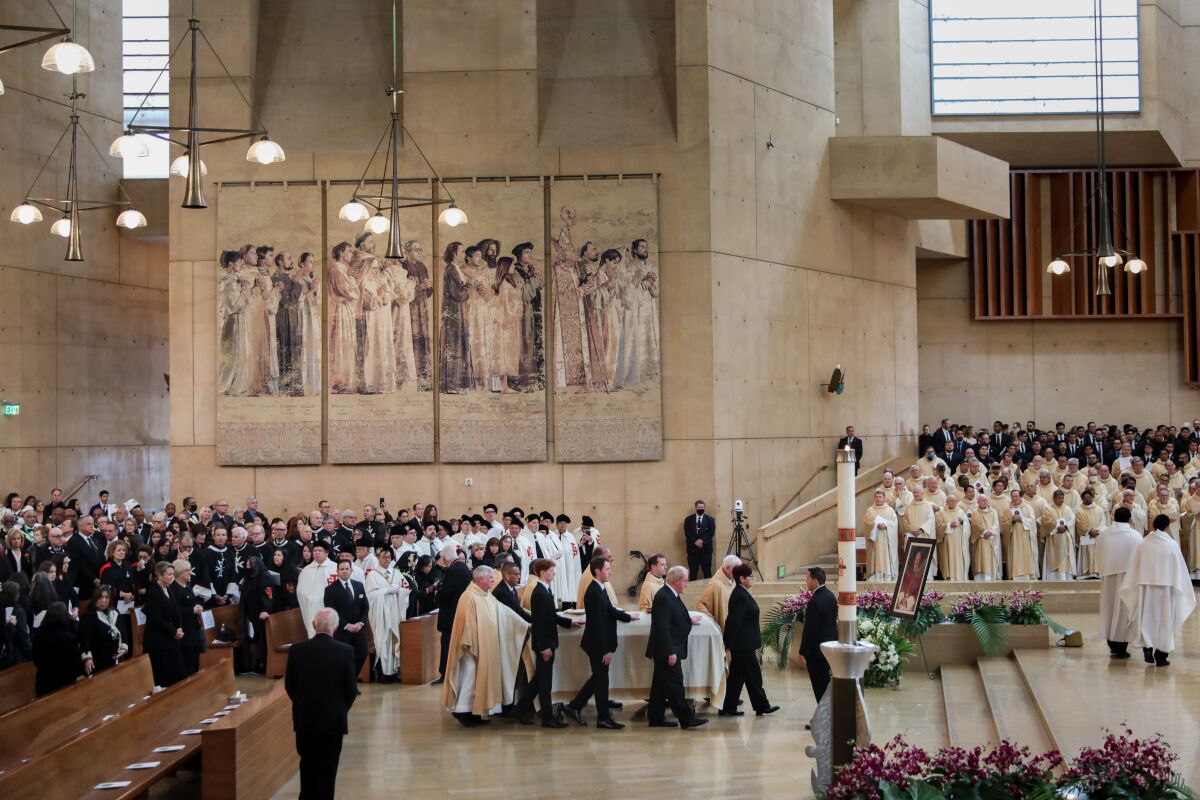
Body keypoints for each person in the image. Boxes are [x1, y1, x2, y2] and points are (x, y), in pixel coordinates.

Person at [285, 607, 359, 800]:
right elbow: (350, 690)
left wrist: (303, 704)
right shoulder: (345, 651)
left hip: (305, 719)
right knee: (328, 768)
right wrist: (340, 709)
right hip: (332, 721)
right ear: (335, 628)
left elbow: (290, 686)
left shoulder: (297, 650)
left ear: (313, 625)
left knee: (307, 764)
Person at [442, 566, 529, 726]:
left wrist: (525, 624)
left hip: (486, 646)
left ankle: (475, 711)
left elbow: (504, 613)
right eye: (490, 578)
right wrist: (474, 643)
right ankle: (462, 712)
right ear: (480, 578)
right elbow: (466, 622)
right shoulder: (468, 596)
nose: (493, 580)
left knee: (478, 680)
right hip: (471, 648)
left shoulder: (487, 595)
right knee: (469, 677)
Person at [563, 556, 637, 729]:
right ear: (597, 571)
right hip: (597, 645)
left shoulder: (600, 588)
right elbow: (597, 624)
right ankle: (602, 718)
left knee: (598, 678)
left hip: (598, 643)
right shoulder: (594, 592)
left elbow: (610, 610)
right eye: (607, 569)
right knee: (601, 681)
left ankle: (574, 706)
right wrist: (605, 650)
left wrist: (627, 616)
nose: (610, 572)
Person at [1119, 514, 1197, 667]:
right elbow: (1179, 568)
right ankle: (1161, 656)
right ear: (1167, 526)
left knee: (1147, 618)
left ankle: (1147, 645)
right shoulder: (1171, 544)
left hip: (1146, 588)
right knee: (1165, 620)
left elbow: (1135, 566)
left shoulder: (1144, 543)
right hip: (1166, 589)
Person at [515, 559, 577, 728]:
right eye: (551, 571)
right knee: (545, 683)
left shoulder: (545, 590)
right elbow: (540, 623)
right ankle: (547, 718)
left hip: (547, 643)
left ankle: (520, 710)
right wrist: (544, 648)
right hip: (545, 645)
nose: (554, 573)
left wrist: (569, 622)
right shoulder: (540, 593)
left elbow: (552, 616)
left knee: (539, 681)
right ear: (542, 573)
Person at [645, 565, 706, 729]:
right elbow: (662, 627)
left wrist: (687, 620)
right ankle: (686, 719)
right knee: (676, 683)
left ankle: (655, 717)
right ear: (675, 581)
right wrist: (670, 651)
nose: (687, 584)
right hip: (667, 650)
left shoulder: (672, 594)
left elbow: (675, 615)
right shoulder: (665, 597)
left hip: (669, 648)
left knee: (659, 686)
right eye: (685, 580)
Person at [721, 564, 779, 717]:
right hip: (742, 644)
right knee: (753, 675)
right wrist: (728, 643)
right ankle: (762, 706)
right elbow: (733, 622)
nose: (753, 579)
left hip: (743, 643)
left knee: (736, 676)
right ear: (741, 578)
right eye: (750, 577)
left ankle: (728, 707)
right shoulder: (740, 595)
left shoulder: (742, 593)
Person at [1095, 507, 1142, 659]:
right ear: (1129, 519)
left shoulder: (1105, 535)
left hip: (1109, 578)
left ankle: (1112, 643)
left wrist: (1104, 571)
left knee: (1110, 609)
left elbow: (1099, 555)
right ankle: (1121, 645)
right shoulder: (1135, 536)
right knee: (1124, 611)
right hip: (1128, 579)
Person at [365, 547, 410, 683]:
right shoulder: (372, 575)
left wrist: (400, 591)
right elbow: (369, 596)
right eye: (384, 557)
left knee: (394, 640)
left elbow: (407, 589)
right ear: (378, 557)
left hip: (395, 613)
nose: (386, 560)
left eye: (389, 557)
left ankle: (394, 672)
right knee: (382, 640)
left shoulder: (396, 573)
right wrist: (385, 591)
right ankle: (383, 673)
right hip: (380, 615)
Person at [323, 560, 370, 678]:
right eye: (342, 569)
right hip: (342, 631)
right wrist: (346, 625)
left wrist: (360, 623)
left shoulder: (359, 585)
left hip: (359, 629)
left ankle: (351, 680)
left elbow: (365, 607)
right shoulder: (330, 590)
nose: (344, 571)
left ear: (351, 570)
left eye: (347, 569)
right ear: (337, 571)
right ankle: (345, 683)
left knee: (362, 654)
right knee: (343, 658)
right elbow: (332, 611)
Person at [143, 561, 186, 687]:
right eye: (169, 574)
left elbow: (176, 610)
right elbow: (157, 619)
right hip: (158, 641)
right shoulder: (153, 593)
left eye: (172, 574)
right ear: (160, 575)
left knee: (178, 673)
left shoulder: (168, 589)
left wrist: (179, 628)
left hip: (170, 637)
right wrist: (173, 631)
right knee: (164, 676)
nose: (172, 577)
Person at [433, 545, 472, 685]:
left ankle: (445, 674)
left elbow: (445, 593)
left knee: (447, 644)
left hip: (450, 615)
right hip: (460, 612)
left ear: (445, 558)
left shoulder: (452, 570)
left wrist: (437, 594)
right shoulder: (462, 567)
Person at [798, 566, 836, 703]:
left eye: (808, 578)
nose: (806, 581)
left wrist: (803, 651)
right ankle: (827, 716)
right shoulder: (830, 595)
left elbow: (810, 629)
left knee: (820, 686)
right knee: (824, 683)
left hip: (816, 652)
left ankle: (824, 719)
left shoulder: (815, 601)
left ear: (815, 580)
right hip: (829, 647)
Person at [31, 602, 80, 696]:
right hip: (65, 683)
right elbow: (75, 662)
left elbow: (35, 660)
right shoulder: (69, 638)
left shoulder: (39, 635)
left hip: (44, 682)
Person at [79, 585, 127, 675]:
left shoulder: (114, 612)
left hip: (116, 660)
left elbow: (124, 632)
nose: (104, 600)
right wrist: (87, 658)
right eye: (100, 597)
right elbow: (85, 639)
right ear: (95, 599)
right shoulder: (89, 615)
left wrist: (124, 647)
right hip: (98, 662)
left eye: (106, 597)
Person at [296, 540, 338, 637]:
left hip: (329, 606)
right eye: (315, 551)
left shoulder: (335, 568)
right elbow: (300, 591)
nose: (317, 553)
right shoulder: (306, 570)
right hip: (311, 608)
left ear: (327, 552)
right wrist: (310, 599)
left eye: (320, 550)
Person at [171, 560, 205, 677]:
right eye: (186, 570)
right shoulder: (174, 588)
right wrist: (192, 610)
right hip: (184, 627)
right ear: (179, 572)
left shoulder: (187, 585)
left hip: (192, 626)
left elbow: (191, 601)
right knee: (187, 658)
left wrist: (197, 607)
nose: (190, 573)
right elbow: (174, 609)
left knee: (195, 656)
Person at [695, 554, 740, 630]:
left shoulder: (733, 581)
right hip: (722, 628)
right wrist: (712, 621)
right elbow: (700, 604)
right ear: (727, 568)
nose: (739, 572)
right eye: (736, 569)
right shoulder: (716, 584)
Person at [864, 491, 899, 581]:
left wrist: (887, 525)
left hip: (887, 540)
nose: (878, 499)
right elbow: (867, 524)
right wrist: (876, 525)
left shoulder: (890, 510)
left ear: (884, 499)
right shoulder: (870, 510)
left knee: (887, 557)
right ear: (874, 498)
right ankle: (875, 576)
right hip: (875, 541)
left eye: (880, 497)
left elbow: (894, 523)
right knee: (876, 558)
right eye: (876, 497)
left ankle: (888, 575)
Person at [683, 501, 716, 580]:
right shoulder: (688, 519)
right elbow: (687, 532)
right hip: (692, 551)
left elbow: (711, 533)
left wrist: (702, 541)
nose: (701, 509)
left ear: (704, 508)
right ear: (696, 507)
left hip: (706, 551)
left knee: (707, 572)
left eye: (702, 507)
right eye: (699, 507)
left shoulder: (710, 519)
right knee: (693, 573)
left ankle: (709, 591)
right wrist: (695, 541)